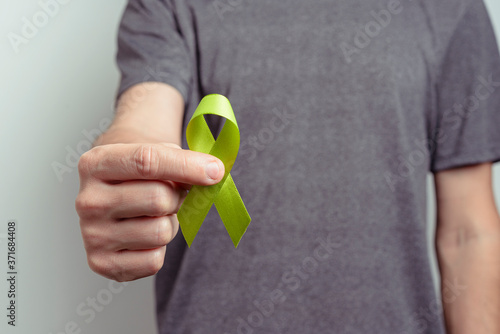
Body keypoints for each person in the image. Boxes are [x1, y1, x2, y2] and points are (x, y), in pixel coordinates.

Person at [75, 0, 500, 333]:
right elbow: (144, 117)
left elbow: (470, 234)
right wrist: (127, 170)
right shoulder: (168, 4)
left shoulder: (454, 8)